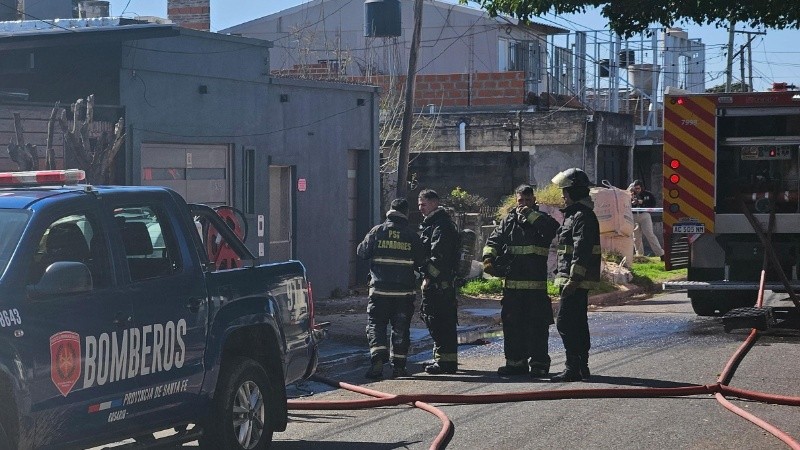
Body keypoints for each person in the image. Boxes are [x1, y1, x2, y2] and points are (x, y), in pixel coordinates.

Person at [483, 184, 560, 378]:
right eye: (520, 201)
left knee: (537, 327)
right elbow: (493, 241)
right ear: (515, 201)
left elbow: (552, 230)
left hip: (535, 289)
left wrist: (530, 215)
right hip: (512, 289)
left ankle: (539, 365)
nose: (523, 204)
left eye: (527, 200)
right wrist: (488, 260)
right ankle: (515, 364)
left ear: (534, 200)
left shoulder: (543, 220)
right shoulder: (508, 221)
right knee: (512, 326)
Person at [357, 198, 425, 379]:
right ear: (406, 213)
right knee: (401, 328)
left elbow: (362, 252)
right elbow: (422, 261)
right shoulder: (411, 236)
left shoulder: (377, 231)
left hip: (379, 292)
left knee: (376, 326)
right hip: (404, 294)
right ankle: (399, 367)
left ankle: (377, 361)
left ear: (390, 211)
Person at [550, 168, 601, 382]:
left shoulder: (581, 216)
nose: (562, 195)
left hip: (575, 281)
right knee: (577, 322)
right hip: (573, 280)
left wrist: (573, 279)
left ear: (572, 191)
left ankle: (574, 367)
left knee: (566, 322)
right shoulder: (576, 214)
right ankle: (581, 367)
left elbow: (581, 251)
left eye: (564, 191)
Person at [417, 189, 461, 375]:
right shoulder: (434, 224)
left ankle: (445, 363)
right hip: (440, 285)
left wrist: (429, 277)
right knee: (439, 322)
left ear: (434, 203)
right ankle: (444, 360)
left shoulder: (441, 226)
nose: (420, 208)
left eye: (424, 204)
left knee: (440, 322)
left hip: (439, 286)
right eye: (419, 204)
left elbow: (439, 257)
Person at [630, 179, 665, 260]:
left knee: (649, 234)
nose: (637, 190)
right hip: (634, 216)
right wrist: (632, 201)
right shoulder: (630, 194)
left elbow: (653, 204)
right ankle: (639, 255)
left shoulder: (647, 194)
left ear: (641, 188)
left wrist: (642, 202)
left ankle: (660, 253)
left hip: (644, 215)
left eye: (638, 188)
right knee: (636, 237)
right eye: (635, 188)